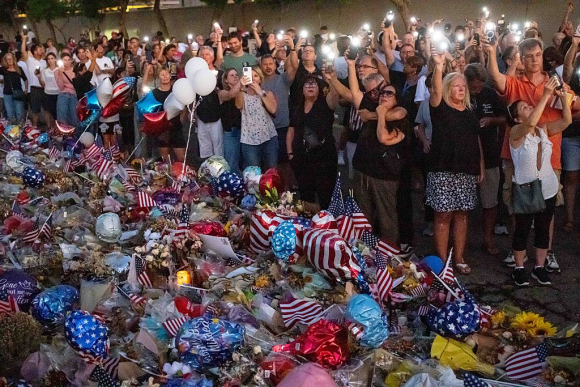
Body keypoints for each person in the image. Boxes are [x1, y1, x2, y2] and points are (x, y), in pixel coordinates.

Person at [484, 35, 580, 272]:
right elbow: (495, 78)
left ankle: (545, 253)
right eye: (529, 57)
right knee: (519, 206)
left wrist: (566, 99)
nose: (535, 60)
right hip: (515, 156)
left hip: (549, 153)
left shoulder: (555, 82)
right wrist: (492, 50)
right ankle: (520, 252)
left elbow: (576, 106)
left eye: (538, 55)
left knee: (547, 209)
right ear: (522, 60)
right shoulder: (514, 82)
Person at [507, 77, 571, 286]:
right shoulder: (516, 133)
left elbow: (565, 122)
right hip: (525, 189)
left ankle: (539, 267)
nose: (529, 107)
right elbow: (530, 123)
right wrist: (545, 95)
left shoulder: (542, 129)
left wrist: (563, 101)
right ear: (517, 119)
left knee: (543, 228)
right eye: (524, 107)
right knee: (522, 229)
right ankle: (518, 267)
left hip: (548, 187)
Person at [428, 51, 484, 274]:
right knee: (443, 214)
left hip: (466, 168)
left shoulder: (471, 110)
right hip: (442, 168)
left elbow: (475, 138)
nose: (461, 88)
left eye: (464, 86)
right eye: (456, 85)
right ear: (448, 88)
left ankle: (459, 257)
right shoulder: (440, 108)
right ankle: (443, 262)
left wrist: (480, 164)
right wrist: (440, 66)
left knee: (462, 213)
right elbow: (435, 90)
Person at [464, 63, 507, 256]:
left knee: (490, 202)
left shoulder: (490, 94)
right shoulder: (459, 92)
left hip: (490, 155)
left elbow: (506, 118)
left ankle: (488, 238)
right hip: (464, 157)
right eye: (473, 86)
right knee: (462, 203)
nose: (477, 90)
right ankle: (461, 241)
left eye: (480, 86)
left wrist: (491, 121)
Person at [287, 74, 339, 209]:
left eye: (314, 84)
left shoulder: (326, 104)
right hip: (301, 159)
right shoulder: (297, 107)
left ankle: (326, 224)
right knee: (305, 195)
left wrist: (331, 79)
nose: (310, 86)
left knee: (325, 196)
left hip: (324, 159)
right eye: (307, 84)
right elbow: (291, 131)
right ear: (302, 90)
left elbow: (335, 94)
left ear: (319, 89)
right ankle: (308, 225)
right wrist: (290, 154)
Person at [260, 48, 298, 190]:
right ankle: (269, 188)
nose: (268, 66)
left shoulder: (282, 79)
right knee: (267, 162)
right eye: (265, 64)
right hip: (264, 128)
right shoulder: (258, 83)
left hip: (282, 126)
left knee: (284, 161)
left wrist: (292, 48)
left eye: (271, 63)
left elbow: (293, 68)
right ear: (260, 66)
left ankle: (286, 189)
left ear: (275, 65)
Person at [235, 67, 278, 170]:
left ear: (260, 79)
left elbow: (273, 110)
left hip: (269, 137)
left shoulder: (267, 93)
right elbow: (238, 106)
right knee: (254, 173)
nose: (253, 78)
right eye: (251, 76)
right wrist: (241, 87)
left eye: (256, 76)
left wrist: (260, 93)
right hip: (249, 140)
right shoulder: (242, 94)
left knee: (271, 171)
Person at [152, 68, 186, 161]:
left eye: (167, 74)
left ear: (170, 76)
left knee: (181, 157)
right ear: (158, 77)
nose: (165, 77)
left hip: (176, 126)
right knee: (166, 159)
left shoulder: (175, 91)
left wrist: (182, 119)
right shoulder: (154, 93)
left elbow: (183, 106)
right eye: (162, 74)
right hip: (162, 129)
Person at [196, 47, 223, 161]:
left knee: (218, 148)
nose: (204, 57)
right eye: (202, 55)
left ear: (212, 57)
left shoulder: (220, 74)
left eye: (207, 54)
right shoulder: (195, 75)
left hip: (216, 116)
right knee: (205, 149)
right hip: (201, 116)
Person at [219, 69, 242, 174]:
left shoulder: (244, 91)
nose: (235, 77)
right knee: (232, 164)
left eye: (237, 75)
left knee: (246, 163)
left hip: (245, 131)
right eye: (232, 75)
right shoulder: (222, 93)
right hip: (231, 132)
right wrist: (241, 82)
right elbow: (231, 95)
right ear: (226, 80)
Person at [20, 34, 46, 127]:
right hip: (34, 89)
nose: (41, 50)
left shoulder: (45, 62)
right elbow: (23, 51)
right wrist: (24, 39)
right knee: (35, 111)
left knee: (47, 110)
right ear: (34, 52)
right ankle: (35, 128)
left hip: (44, 88)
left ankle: (50, 128)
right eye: (39, 49)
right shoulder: (30, 60)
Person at [1, 53, 28, 123]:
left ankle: (19, 129)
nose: (9, 60)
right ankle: (12, 131)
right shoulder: (4, 69)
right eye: (8, 59)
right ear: (5, 61)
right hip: (7, 93)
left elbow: (25, 79)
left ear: (13, 59)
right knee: (10, 114)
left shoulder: (19, 69)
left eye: (11, 59)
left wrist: (25, 89)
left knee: (19, 113)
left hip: (18, 92)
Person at [54, 53, 79, 127]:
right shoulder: (57, 71)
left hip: (74, 94)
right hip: (63, 94)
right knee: (62, 117)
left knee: (74, 117)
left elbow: (77, 84)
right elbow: (60, 87)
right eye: (64, 60)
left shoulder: (75, 70)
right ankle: (63, 134)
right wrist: (60, 74)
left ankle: (73, 135)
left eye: (68, 60)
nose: (67, 62)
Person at [38, 52, 59, 129]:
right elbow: (43, 84)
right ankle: (50, 127)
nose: (50, 60)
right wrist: (38, 77)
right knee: (48, 111)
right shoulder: (45, 71)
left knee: (57, 111)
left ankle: (58, 127)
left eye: (52, 58)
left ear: (55, 59)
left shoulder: (59, 69)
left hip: (57, 92)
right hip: (48, 93)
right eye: (49, 59)